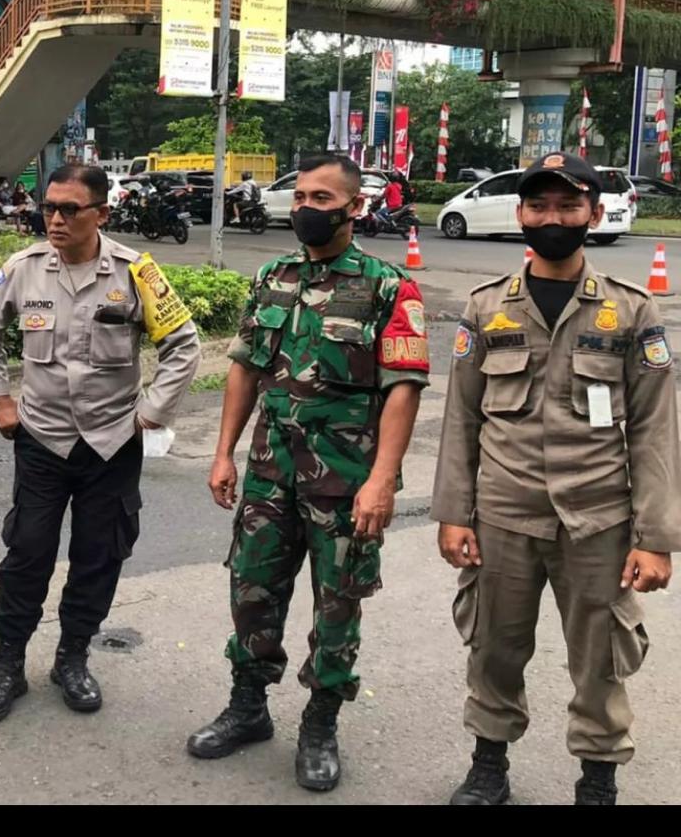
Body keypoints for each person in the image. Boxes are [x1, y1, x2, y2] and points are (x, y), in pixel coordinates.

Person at [431, 152, 680, 806]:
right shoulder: (486, 309)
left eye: (569, 206)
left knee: (600, 659)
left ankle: (598, 778)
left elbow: (656, 428)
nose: (553, 218)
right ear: (520, 214)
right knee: (493, 646)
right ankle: (489, 765)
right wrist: (453, 512)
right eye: (539, 206)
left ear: (594, 214)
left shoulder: (631, 311)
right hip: (503, 514)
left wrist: (656, 536)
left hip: (598, 520)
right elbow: (459, 417)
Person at [187, 154, 430, 791]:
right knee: (252, 590)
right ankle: (248, 707)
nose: (305, 207)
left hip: (347, 483)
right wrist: (224, 452)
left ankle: (321, 721)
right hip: (270, 473)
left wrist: (382, 479)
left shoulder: (387, 286)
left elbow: (403, 387)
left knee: (338, 605)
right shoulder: (274, 274)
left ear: (354, 207)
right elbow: (245, 366)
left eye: (322, 197)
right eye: (299, 195)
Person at [0, 163, 201, 724]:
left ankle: (73, 658)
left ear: (101, 214)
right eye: (49, 206)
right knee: (27, 554)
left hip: (111, 445)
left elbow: (183, 344)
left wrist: (150, 413)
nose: (55, 218)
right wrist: (0, 399)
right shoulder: (22, 269)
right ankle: (7, 665)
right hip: (42, 439)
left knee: (99, 556)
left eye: (70, 209)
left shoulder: (136, 271)